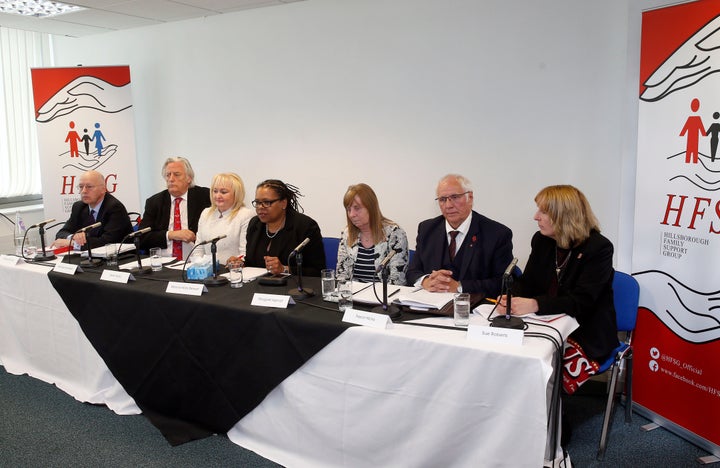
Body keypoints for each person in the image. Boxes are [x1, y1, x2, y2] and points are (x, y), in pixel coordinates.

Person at [496, 185, 617, 392]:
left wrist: (534, 304)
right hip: (545, 321)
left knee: (541, 367)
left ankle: (553, 422)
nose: (536, 217)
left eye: (543, 211)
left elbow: (582, 301)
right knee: (503, 352)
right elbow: (528, 283)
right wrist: (510, 296)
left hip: (584, 330)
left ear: (564, 215)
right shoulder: (542, 241)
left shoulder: (598, 248)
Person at [406, 174, 513, 297]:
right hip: (431, 307)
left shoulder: (497, 234)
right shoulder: (427, 229)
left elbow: (502, 283)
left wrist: (459, 287)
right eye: (442, 199)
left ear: (470, 198)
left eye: (455, 197)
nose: (448, 205)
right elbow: (412, 272)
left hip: (473, 309)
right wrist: (425, 281)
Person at [244, 179, 326, 276]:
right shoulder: (255, 224)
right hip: (258, 285)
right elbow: (251, 263)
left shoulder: (305, 226)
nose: (260, 207)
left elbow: (318, 271)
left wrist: (284, 269)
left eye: (266, 202)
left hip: (291, 287)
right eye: (257, 202)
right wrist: (241, 264)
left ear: (283, 203)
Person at [138, 157, 211, 259]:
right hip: (163, 263)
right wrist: (171, 235)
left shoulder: (205, 197)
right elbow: (141, 239)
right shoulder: (154, 202)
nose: (171, 179)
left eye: (176, 174)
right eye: (168, 175)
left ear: (189, 178)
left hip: (195, 262)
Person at [336, 183, 408, 284]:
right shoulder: (347, 234)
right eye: (349, 210)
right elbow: (341, 276)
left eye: (357, 208)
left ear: (371, 208)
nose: (351, 214)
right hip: (353, 296)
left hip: (382, 296)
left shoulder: (395, 234)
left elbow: (397, 281)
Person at [52, 170, 133, 250]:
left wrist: (73, 243)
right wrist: (73, 237)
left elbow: (107, 242)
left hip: (120, 258)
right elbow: (61, 233)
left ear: (103, 189)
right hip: (89, 257)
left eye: (89, 187)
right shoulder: (79, 207)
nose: (83, 191)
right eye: (81, 187)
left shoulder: (114, 207)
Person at [195, 173, 254, 265]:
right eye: (215, 191)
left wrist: (236, 264)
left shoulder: (245, 215)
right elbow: (198, 249)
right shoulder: (205, 213)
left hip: (232, 272)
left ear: (236, 194)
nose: (218, 196)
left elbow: (244, 253)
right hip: (205, 272)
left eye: (223, 192)